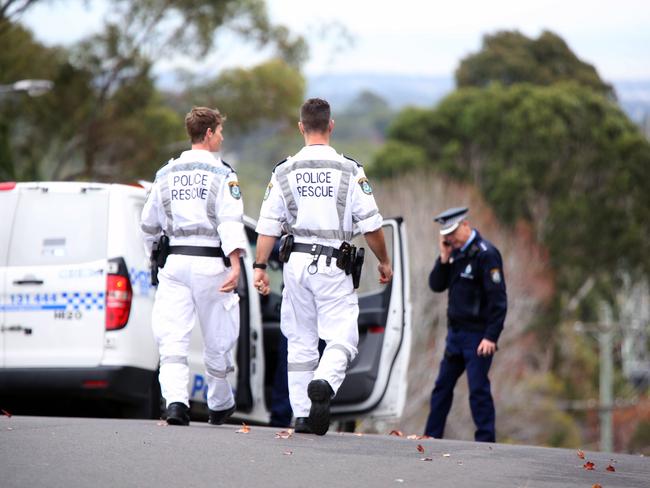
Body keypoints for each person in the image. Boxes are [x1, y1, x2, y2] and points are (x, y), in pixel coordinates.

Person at [253, 98, 393, 435]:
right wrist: (384, 261)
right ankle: (324, 383)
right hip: (333, 263)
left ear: (301, 127)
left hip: (295, 263)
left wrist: (259, 266)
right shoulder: (349, 170)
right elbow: (371, 225)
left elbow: (268, 226)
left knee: (299, 341)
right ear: (331, 126)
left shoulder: (284, 170)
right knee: (342, 338)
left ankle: (303, 415)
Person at [140, 106, 247, 426]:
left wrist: (153, 258)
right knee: (218, 337)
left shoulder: (165, 173)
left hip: (174, 264)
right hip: (210, 263)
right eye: (220, 131)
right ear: (210, 133)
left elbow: (148, 226)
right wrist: (236, 263)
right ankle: (218, 404)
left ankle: (175, 403)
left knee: (172, 339)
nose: (222, 137)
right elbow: (230, 222)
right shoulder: (223, 174)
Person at [424, 207, 507, 442]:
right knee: (442, 387)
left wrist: (491, 336)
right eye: (446, 235)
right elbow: (436, 285)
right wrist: (443, 258)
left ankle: (486, 441)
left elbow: (498, 300)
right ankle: (431, 436)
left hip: (478, 337)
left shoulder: (485, 254)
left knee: (478, 390)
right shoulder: (454, 253)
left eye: (452, 232)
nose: (449, 238)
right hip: (456, 335)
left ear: (466, 225)